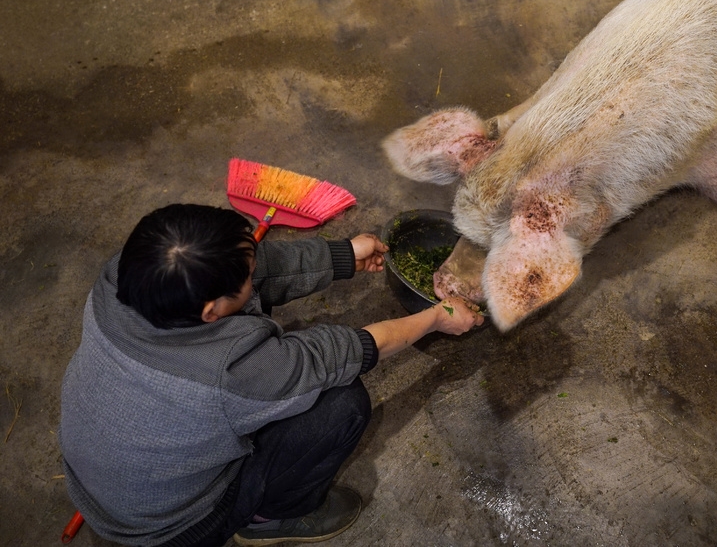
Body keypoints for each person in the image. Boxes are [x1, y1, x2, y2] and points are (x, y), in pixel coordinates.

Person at [59, 203, 482, 547]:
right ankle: (269, 519)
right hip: (173, 527)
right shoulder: (233, 370)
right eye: (246, 275)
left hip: (102, 482)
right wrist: (435, 318)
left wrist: (342, 254)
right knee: (342, 404)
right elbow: (344, 351)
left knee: (244, 296)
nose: (254, 270)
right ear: (210, 312)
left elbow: (250, 267)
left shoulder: (121, 275)